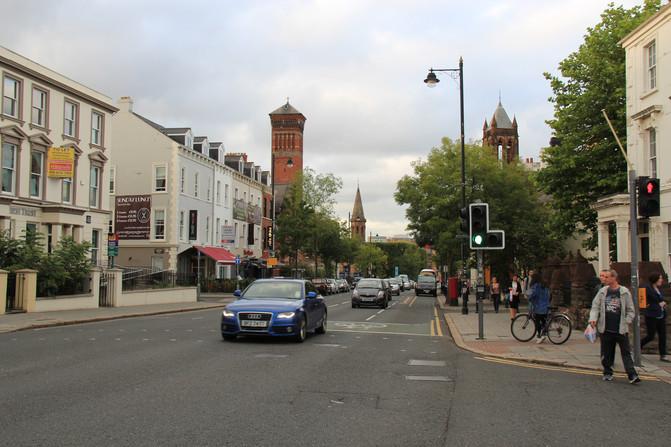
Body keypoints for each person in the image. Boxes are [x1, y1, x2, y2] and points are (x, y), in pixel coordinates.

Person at [588, 269, 640, 383]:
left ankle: (632, 375)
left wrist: (626, 321)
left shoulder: (624, 292)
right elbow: (595, 306)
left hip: (621, 329)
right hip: (606, 328)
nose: (604, 279)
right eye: (604, 277)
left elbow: (631, 310)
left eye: (607, 277)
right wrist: (593, 319)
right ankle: (607, 372)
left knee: (626, 352)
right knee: (606, 353)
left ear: (614, 278)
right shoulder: (602, 292)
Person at [640, 272, 669, 362]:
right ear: (655, 279)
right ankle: (638, 347)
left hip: (661, 315)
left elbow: (660, 300)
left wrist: (663, 304)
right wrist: (656, 305)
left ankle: (663, 355)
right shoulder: (647, 288)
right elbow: (642, 300)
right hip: (651, 315)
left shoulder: (659, 288)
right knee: (651, 335)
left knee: (663, 335)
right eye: (660, 278)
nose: (661, 280)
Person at [529, 272, 550, 343]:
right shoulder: (544, 285)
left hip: (539, 305)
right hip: (546, 305)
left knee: (537, 320)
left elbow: (534, 294)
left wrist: (530, 298)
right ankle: (543, 334)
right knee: (543, 320)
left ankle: (540, 335)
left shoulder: (536, 285)